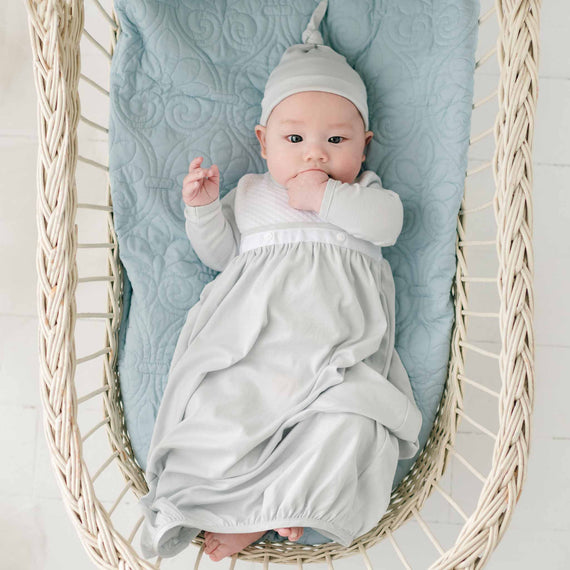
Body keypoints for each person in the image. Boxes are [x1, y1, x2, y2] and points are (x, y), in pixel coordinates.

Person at [139, 0, 421, 562]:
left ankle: (288, 501)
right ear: (263, 141)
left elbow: (389, 227)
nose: (315, 152)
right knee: (223, 413)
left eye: (336, 141)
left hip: (335, 348)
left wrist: (326, 197)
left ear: (364, 145)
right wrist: (201, 210)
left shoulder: (365, 195)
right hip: (256, 341)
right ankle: (238, 504)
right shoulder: (251, 194)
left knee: (349, 419)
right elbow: (224, 257)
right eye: (294, 141)